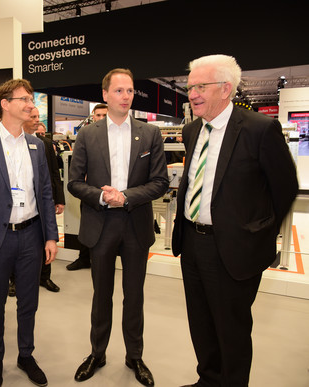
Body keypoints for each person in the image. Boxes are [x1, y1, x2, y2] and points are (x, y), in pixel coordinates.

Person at [172, 54, 298, 387]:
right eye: (190, 87)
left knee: (232, 330)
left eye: (200, 86)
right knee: (201, 323)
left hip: (233, 250)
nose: (192, 93)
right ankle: (208, 379)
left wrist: (257, 234)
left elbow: (284, 188)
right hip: (191, 244)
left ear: (226, 88)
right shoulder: (191, 130)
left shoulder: (259, 129)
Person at [68, 68, 168, 386]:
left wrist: (125, 196)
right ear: (105, 95)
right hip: (101, 225)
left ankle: (134, 356)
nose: (126, 96)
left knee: (134, 294)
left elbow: (160, 182)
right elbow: (73, 182)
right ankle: (98, 353)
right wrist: (101, 196)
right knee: (102, 295)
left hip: (135, 223)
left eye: (130, 91)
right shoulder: (88, 134)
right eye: (119, 91)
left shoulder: (150, 134)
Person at [0, 78, 58, 387]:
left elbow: (45, 193)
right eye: (23, 99)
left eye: (31, 98)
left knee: (28, 301)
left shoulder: (36, 144)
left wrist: (50, 236)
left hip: (31, 236)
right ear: (4, 104)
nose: (30, 104)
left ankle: (25, 355)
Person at [25, 107, 64, 292]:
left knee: (47, 238)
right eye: (32, 117)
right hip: (22, 205)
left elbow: (54, 174)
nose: (35, 120)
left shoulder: (44, 144)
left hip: (43, 202)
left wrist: (59, 199)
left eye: (37, 117)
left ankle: (44, 277)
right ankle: (15, 280)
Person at [66, 102, 109, 272]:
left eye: (104, 115)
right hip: (90, 193)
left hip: (114, 194)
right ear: (92, 116)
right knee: (87, 226)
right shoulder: (86, 136)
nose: (100, 119)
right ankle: (84, 258)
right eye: (98, 115)